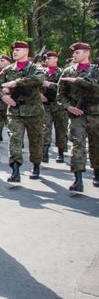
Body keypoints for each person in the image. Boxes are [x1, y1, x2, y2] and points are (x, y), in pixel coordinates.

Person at [0, 41, 45, 183]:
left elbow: (40, 79)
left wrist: (17, 82)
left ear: (26, 52)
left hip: (34, 110)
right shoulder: (8, 70)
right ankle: (15, 170)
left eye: (18, 50)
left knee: (36, 140)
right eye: (14, 50)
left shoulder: (34, 68)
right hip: (14, 110)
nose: (15, 52)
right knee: (14, 139)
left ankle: (36, 165)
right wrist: (3, 97)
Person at [57, 42, 99, 192]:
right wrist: (68, 107)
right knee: (77, 145)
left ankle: (97, 172)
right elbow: (60, 94)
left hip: (96, 114)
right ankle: (78, 179)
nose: (74, 55)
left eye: (77, 52)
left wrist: (77, 81)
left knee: (96, 144)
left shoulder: (96, 70)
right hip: (76, 115)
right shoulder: (68, 71)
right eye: (74, 53)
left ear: (87, 53)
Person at [41, 51, 68, 163]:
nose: (46, 60)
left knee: (61, 129)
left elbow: (65, 89)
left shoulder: (62, 72)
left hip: (59, 105)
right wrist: (39, 95)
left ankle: (61, 152)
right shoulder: (41, 72)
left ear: (55, 59)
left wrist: (50, 84)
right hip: (45, 105)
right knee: (45, 128)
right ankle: (45, 151)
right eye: (45, 58)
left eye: (49, 58)